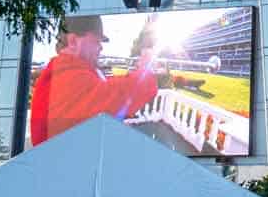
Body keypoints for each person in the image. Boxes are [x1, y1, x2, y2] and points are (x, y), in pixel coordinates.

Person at [27, 14, 169, 146]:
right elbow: (122, 93)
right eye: (96, 40)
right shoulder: (68, 75)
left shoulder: (64, 71)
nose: (101, 47)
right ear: (73, 41)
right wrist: (146, 67)